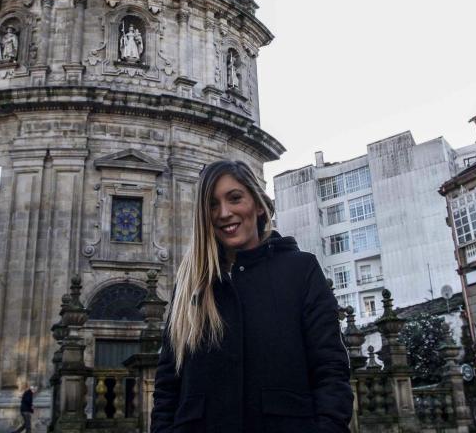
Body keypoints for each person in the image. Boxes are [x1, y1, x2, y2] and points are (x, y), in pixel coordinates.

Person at [151, 160, 353, 433]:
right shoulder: (192, 284)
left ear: (258, 205)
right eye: (212, 204)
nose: (224, 213)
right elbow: (167, 384)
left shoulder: (300, 270)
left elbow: (330, 369)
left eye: (235, 198)